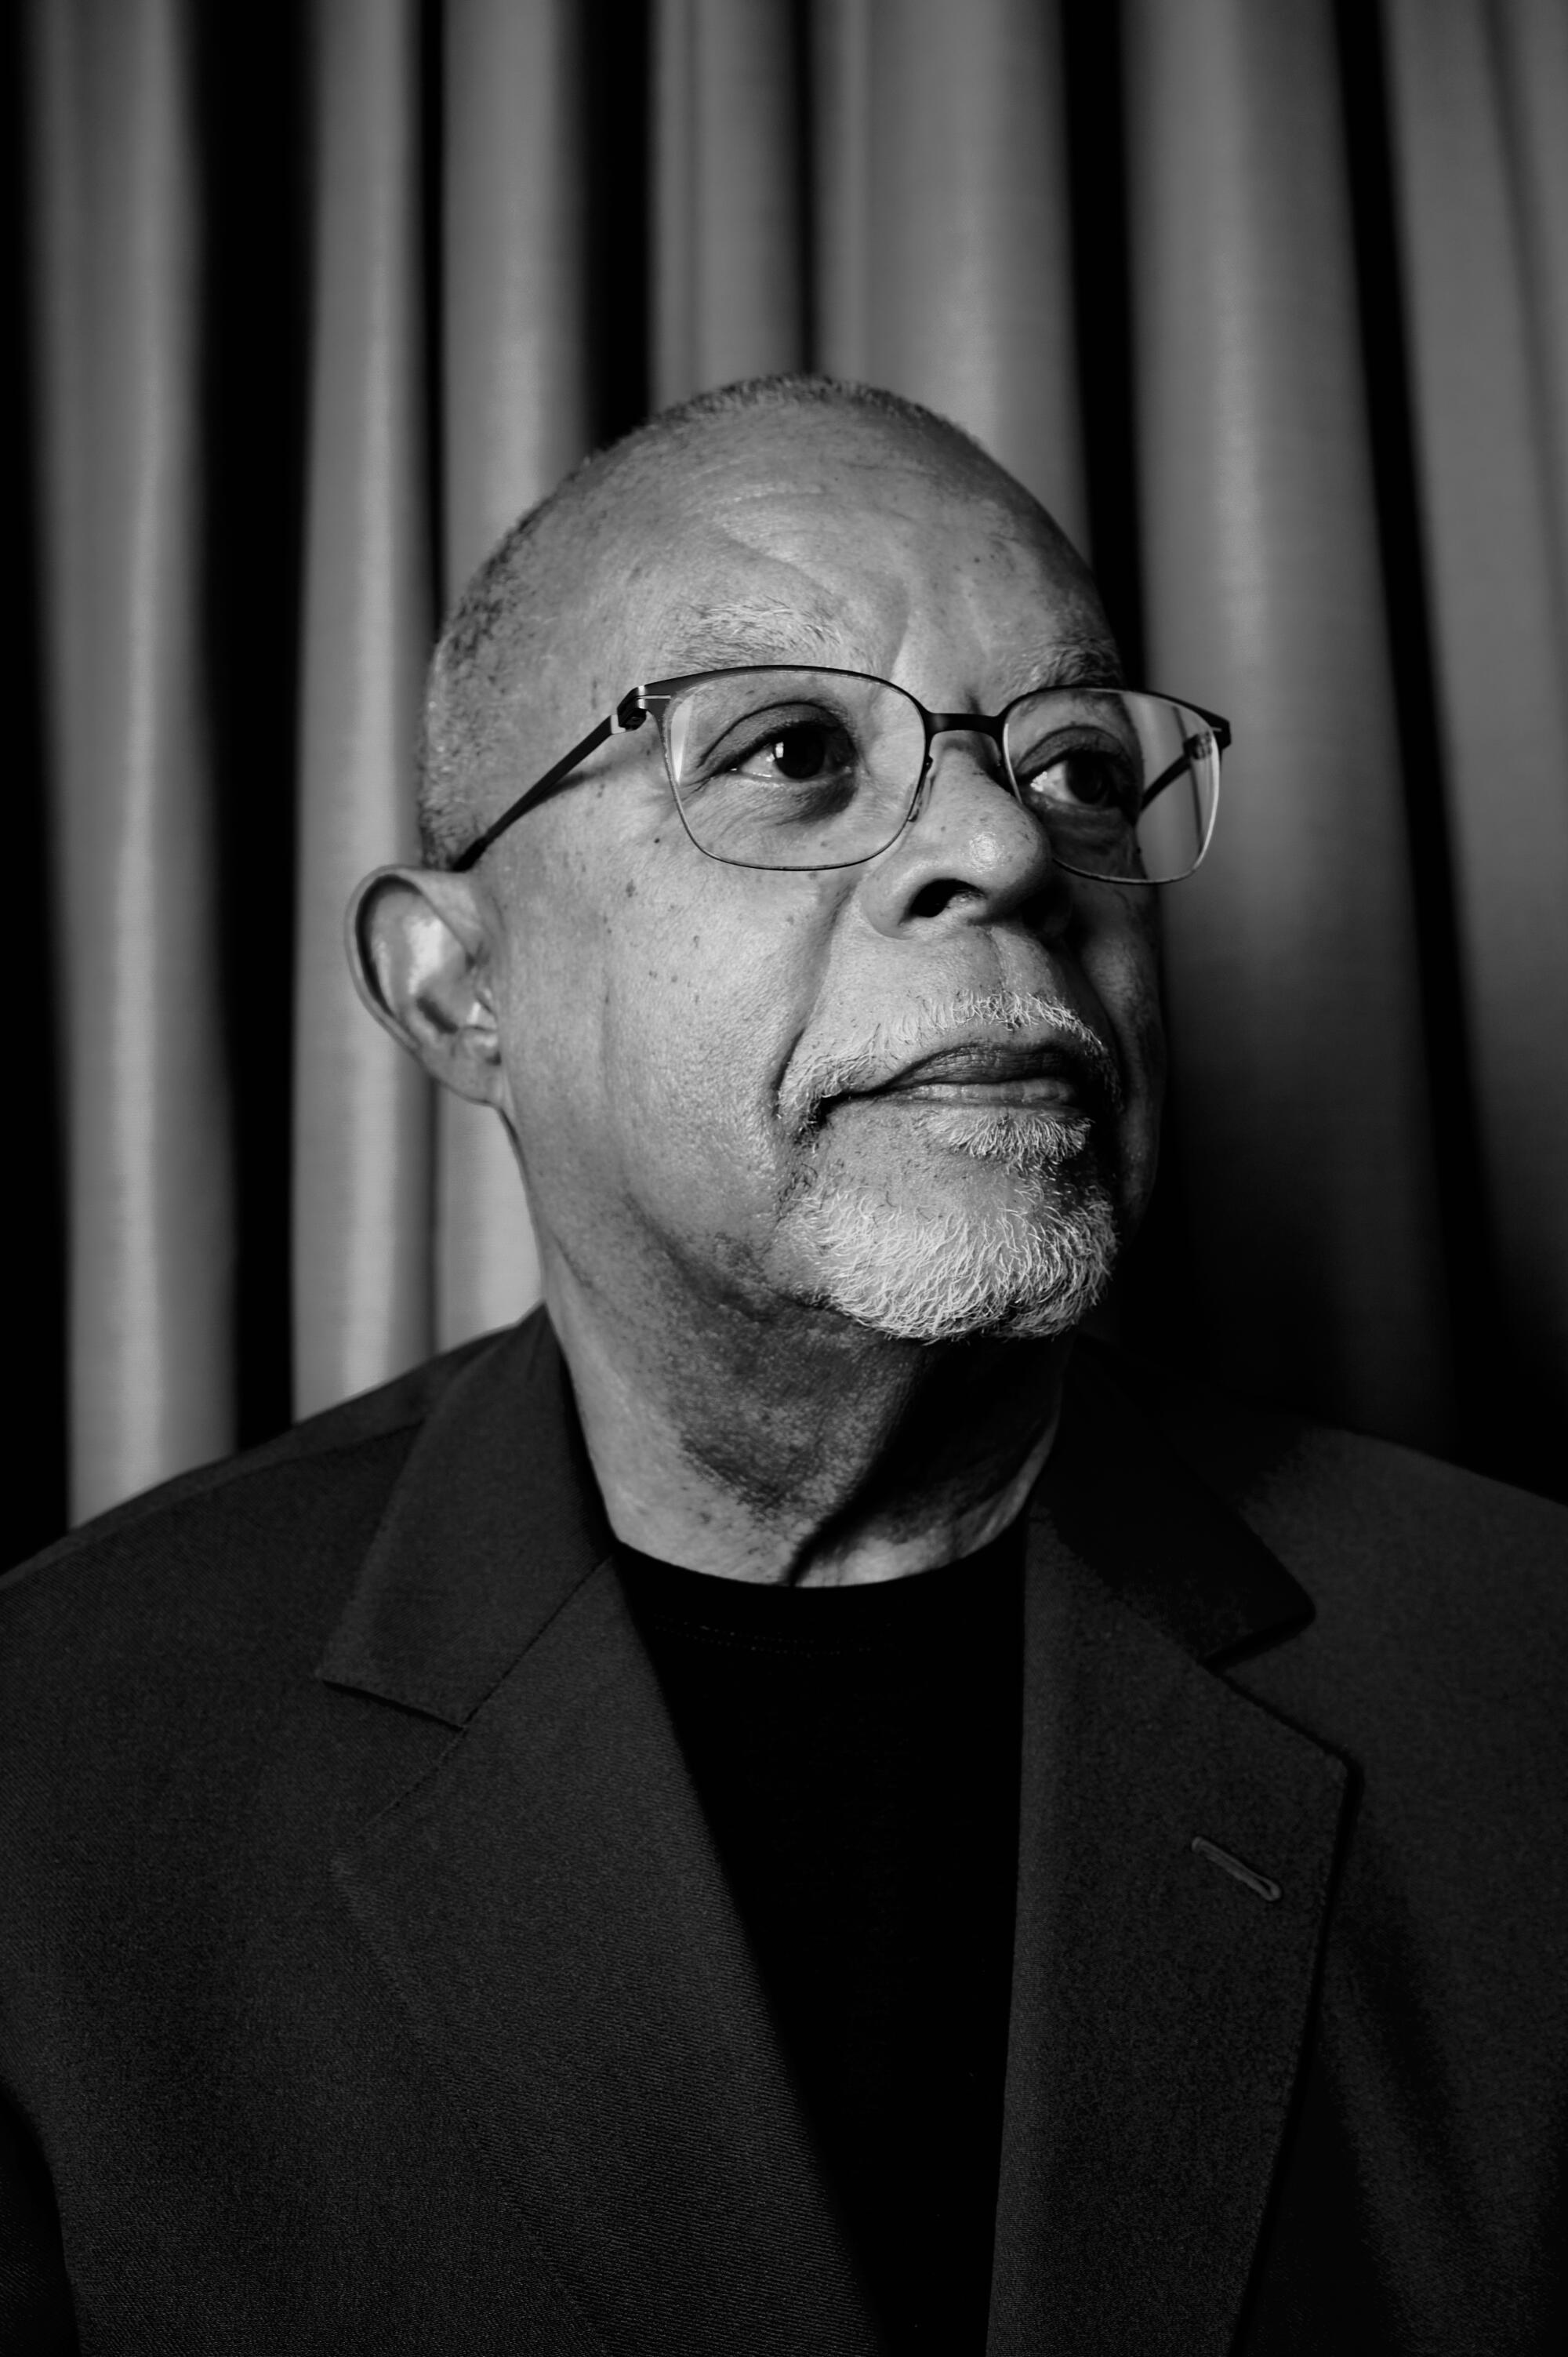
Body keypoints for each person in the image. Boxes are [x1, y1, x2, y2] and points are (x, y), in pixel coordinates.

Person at [2, 376, 1563, 2355]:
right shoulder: (49, 1783)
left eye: (1079, 765)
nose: (1007, 843)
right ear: (455, 986)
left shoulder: (1533, 1689)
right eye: (794, 750)